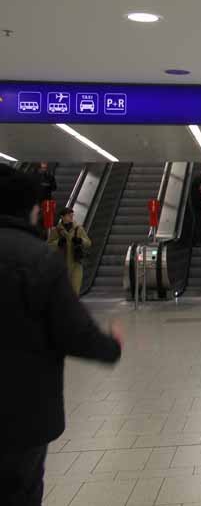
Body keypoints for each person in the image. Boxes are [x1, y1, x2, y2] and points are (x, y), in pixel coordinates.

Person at [0, 167, 122, 506]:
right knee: (20, 490)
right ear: (32, 210)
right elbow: (74, 332)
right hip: (23, 411)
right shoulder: (38, 259)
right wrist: (110, 346)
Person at [47, 207, 91, 295]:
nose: (71, 217)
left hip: (76, 264)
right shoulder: (56, 230)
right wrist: (58, 243)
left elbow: (89, 243)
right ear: (62, 217)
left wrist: (80, 240)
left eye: (72, 215)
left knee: (75, 290)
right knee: (62, 291)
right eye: (68, 215)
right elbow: (48, 245)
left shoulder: (78, 229)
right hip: (61, 265)